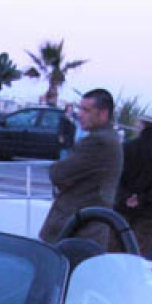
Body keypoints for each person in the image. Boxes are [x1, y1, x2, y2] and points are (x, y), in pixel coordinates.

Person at [39, 88, 122, 249]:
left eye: (86, 110)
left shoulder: (99, 141)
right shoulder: (108, 138)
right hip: (84, 231)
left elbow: (58, 173)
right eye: (80, 108)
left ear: (103, 114)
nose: (80, 114)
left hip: (77, 232)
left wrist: (62, 177)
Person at [116, 117, 152, 257]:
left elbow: (117, 176)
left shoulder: (127, 147)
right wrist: (143, 198)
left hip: (122, 209)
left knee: (116, 249)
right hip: (148, 211)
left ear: (142, 125)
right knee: (138, 252)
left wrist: (126, 197)